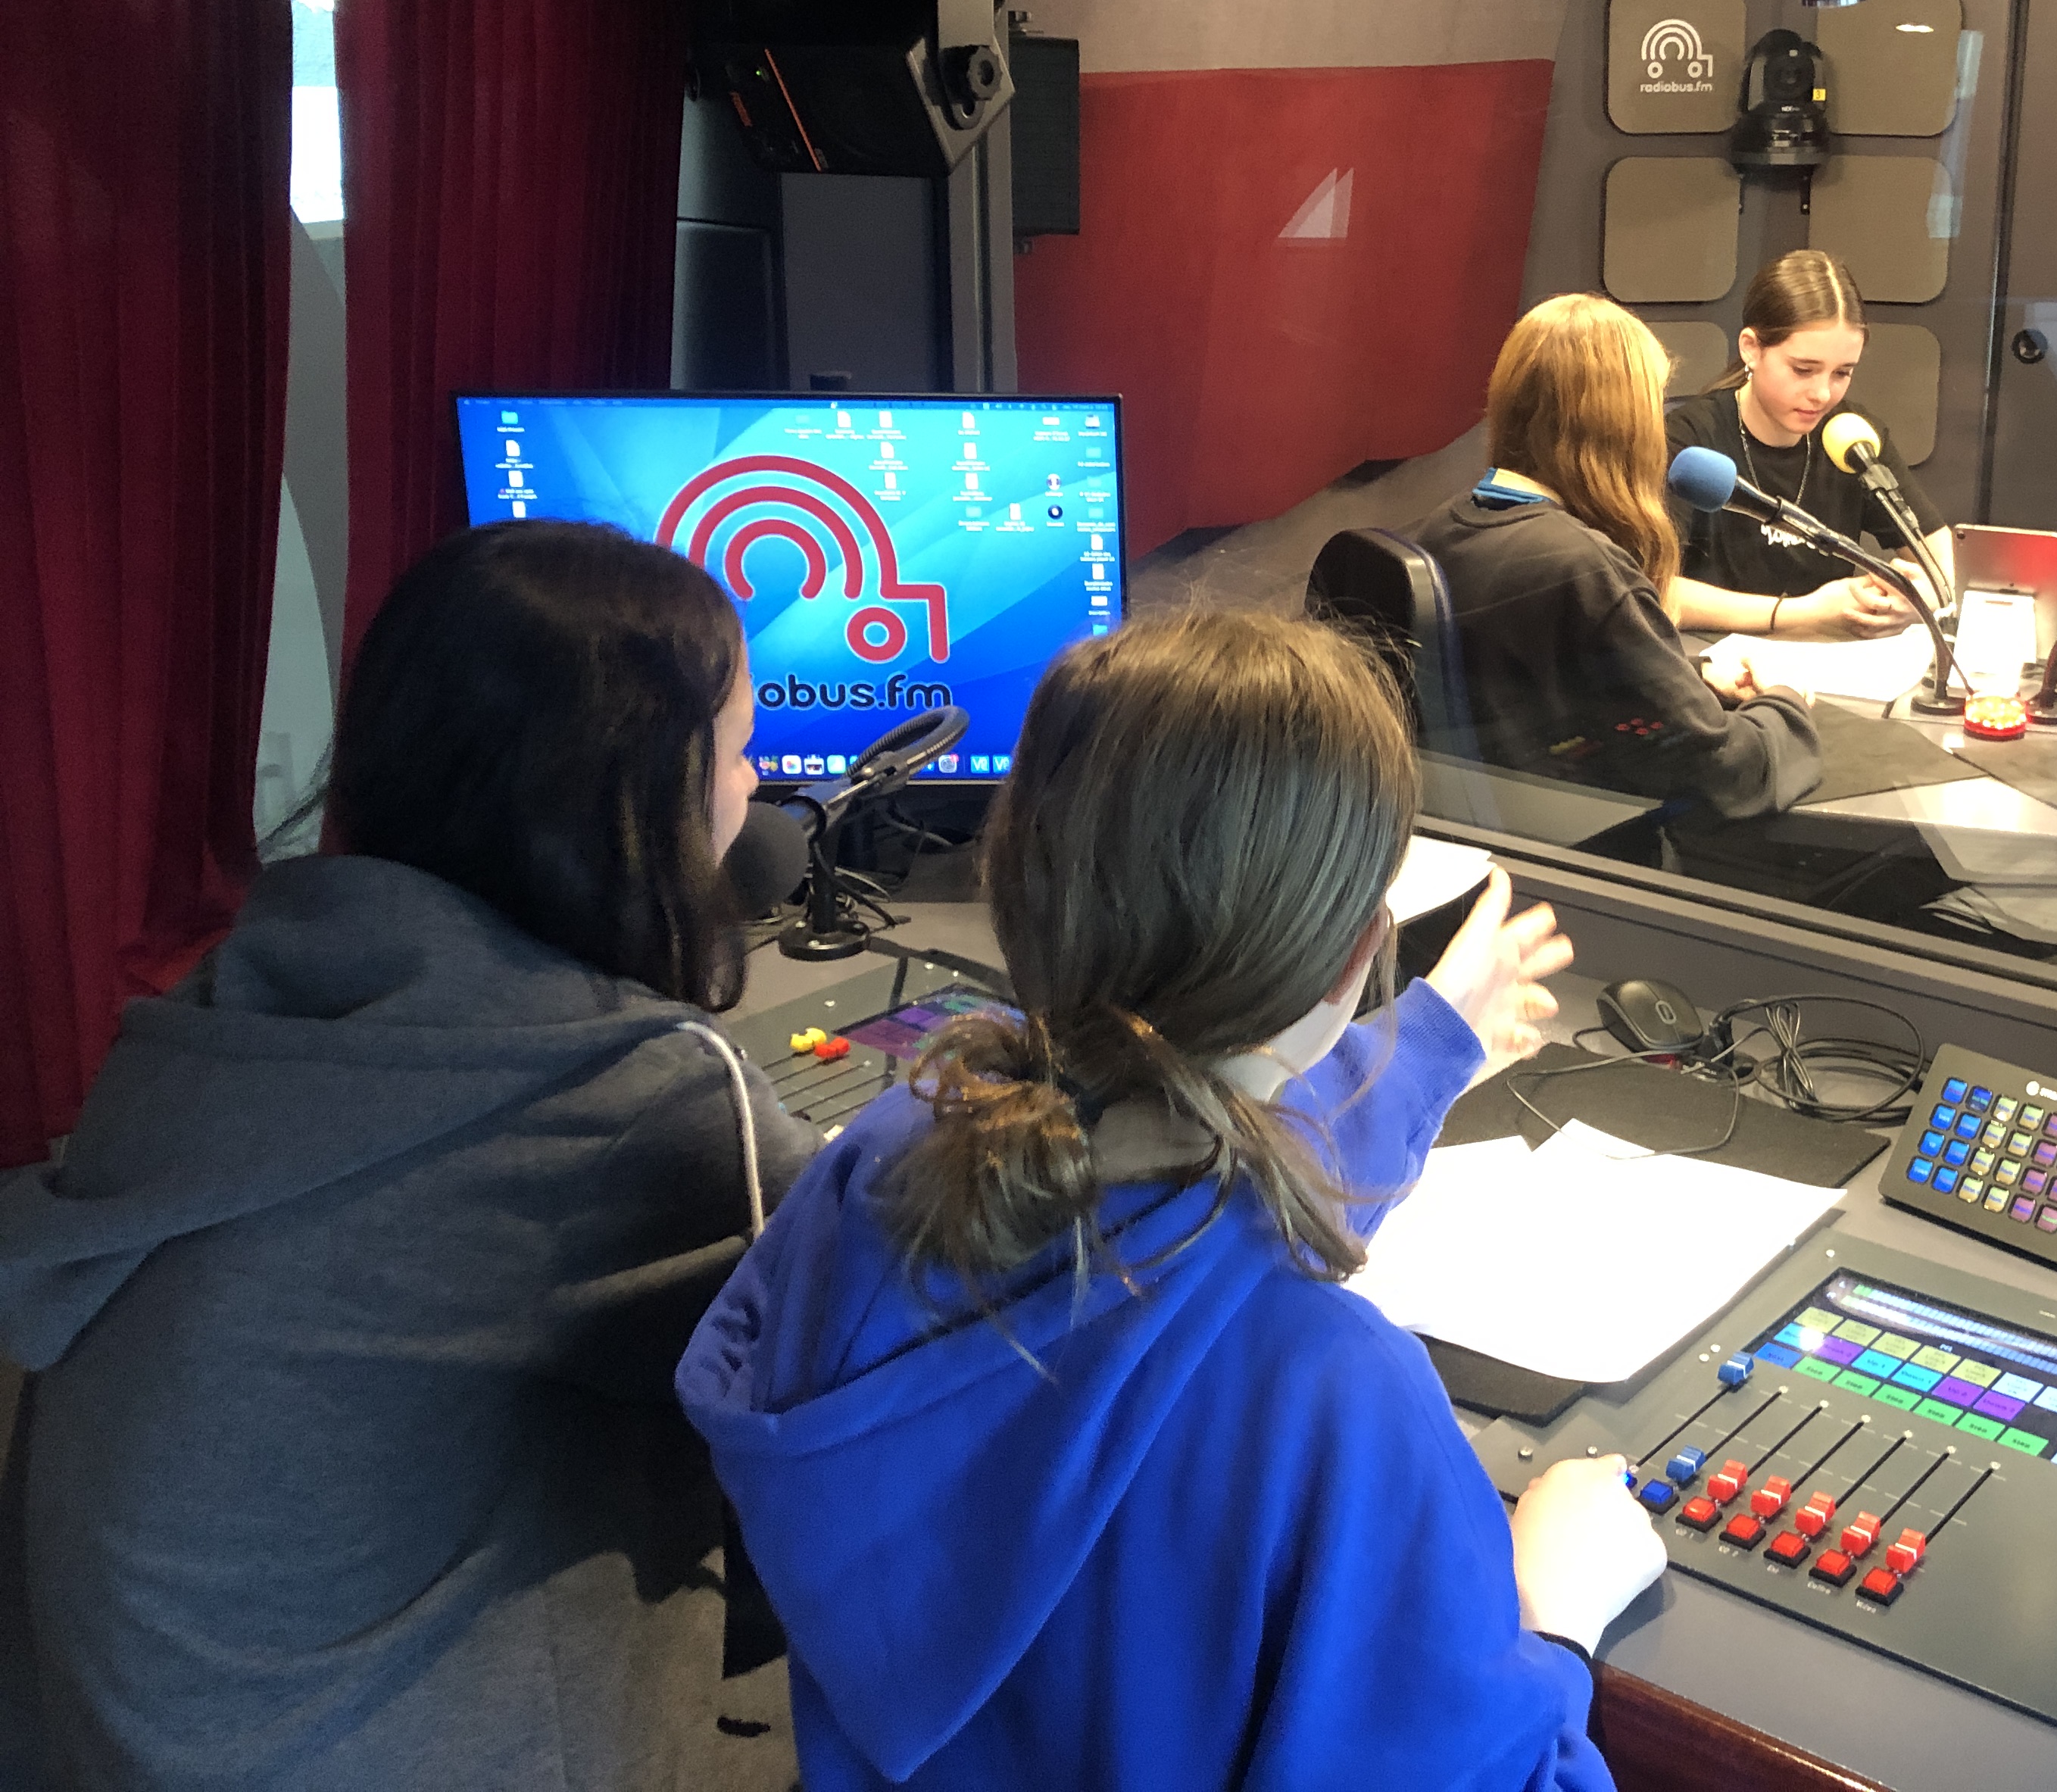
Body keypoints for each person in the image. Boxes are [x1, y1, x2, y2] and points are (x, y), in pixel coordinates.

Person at [677, 610, 1665, 1791]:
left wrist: (1438, 1040)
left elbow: (1161, 1167)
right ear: (1358, 956)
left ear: (1014, 882)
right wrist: (1554, 1620)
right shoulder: (1336, 1395)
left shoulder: (876, 1168)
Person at [0, 520, 819, 1790]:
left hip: (122, 1731)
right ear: (639, 794)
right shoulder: (637, 1093)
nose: (752, 788)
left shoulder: (218, 1014)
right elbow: (884, 1330)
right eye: (738, 749)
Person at [1412, 292, 1824, 817]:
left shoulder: (1445, 527)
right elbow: (1724, 770)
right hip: (1588, 848)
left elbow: (1565, 691)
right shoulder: (1582, 569)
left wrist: (1697, 678)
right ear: (1621, 424)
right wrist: (1785, 702)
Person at [1663, 250, 1955, 642]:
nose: (1822, 394)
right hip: (1708, 660)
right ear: (1751, 348)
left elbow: (1936, 555)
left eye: (1842, 373)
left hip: (1823, 661)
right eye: (1803, 370)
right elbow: (1649, 586)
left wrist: (1919, 599)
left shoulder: (1855, 436)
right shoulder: (1688, 438)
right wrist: (1801, 613)